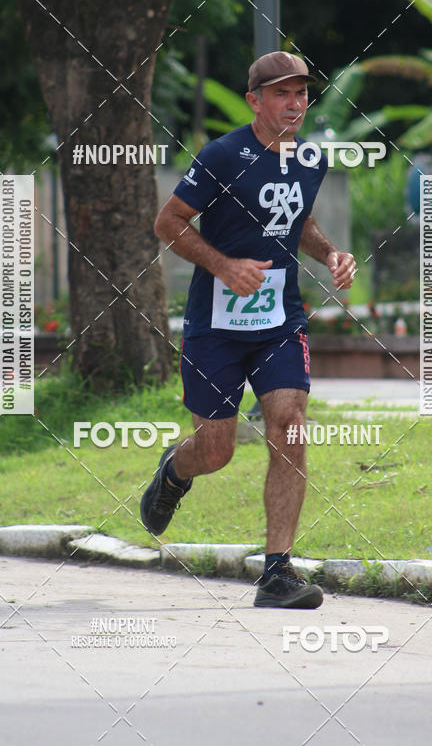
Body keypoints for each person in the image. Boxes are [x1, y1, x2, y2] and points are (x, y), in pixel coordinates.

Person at [141, 51, 356, 608]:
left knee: (290, 425)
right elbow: (168, 221)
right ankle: (173, 472)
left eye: (301, 92)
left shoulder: (310, 159)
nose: (295, 103)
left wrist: (331, 254)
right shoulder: (222, 155)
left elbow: (299, 220)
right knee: (217, 450)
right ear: (254, 101)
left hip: (280, 321)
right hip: (215, 326)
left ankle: (277, 573)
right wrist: (224, 266)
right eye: (282, 93)